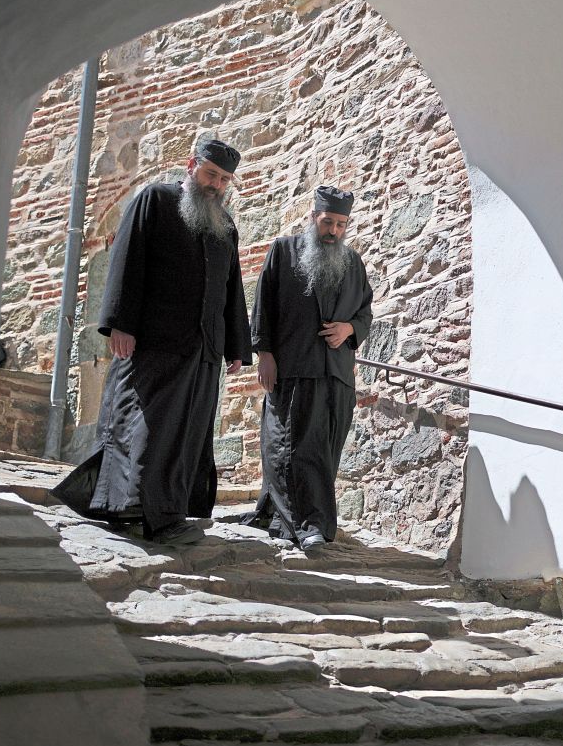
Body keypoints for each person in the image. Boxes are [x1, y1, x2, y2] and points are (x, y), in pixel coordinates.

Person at [53, 139, 252, 545]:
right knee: (147, 428)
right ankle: (147, 513)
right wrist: (119, 324)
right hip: (154, 342)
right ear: (191, 165)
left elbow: (231, 289)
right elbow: (127, 259)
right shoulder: (155, 200)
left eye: (224, 180)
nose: (216, 185)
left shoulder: (225, 225)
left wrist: (236, 345)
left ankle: (161, 511)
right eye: (211, 174)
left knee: (187, 433)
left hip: (203, 349)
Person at [246, 185, 373, 548]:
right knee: (293, 448)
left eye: (341, 224)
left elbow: (365, 312)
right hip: (295, 367)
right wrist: (264, 354)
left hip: (337, 375)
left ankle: (287, 516)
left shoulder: (353, 263)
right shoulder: (284, 250)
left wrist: (349, 329)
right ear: (313, 217)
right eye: (327, 222)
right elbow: (263, 306)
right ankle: (309, 526)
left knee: (325, 452)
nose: (333, 230)